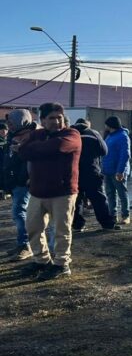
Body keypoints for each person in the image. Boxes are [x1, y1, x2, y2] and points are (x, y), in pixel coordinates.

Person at [18, 103, 82, 281]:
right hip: (37, 192)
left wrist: (34, 149)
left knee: (62, 230)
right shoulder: (38, 134)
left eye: (59, 117)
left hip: (63, 192)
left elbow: (58, 147)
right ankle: (41, 260)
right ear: (42, 120)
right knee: (33, 227)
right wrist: (36, 149)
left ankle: (62, 264)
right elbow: (23, 153)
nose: (56, 121)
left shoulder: (72, 134)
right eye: (51, 118)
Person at [71, 119, 120, 232]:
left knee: (75, 200)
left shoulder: (71, 133)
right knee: (98, 199)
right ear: (87, 125)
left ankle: (78, 225)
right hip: (91, 171)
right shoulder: (93, 133)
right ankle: (107, 224)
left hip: (74, 172)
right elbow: (104, 151)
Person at [3, 109, 38, 260]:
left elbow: (32, 160)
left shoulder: (32, 137)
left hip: (25, 181)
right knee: (18, 213)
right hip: (16, 180)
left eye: (11, 122)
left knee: (19, 212)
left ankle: (26, 245)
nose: (9, 126)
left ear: (21, 121)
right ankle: (21, 243)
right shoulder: (14, 136)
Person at [103, 116, 132, 225]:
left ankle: (125, 215)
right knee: (110, 194)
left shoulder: (122, 136)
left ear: (110, 125)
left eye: (106, 124)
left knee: (122, 194)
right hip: (108, 170)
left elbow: (125, 155)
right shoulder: (110, 136)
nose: (105, 126)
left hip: (117, 171)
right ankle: (112, 215)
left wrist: (120, 171)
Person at [0, 122, 8, 199]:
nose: (4, 131)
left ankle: (5, 192)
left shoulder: (10, 139)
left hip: (7, 163)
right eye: (2, 130)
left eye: (5, 130)